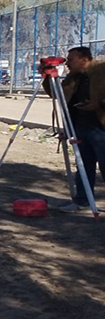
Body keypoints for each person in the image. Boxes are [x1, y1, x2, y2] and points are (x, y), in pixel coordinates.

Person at [45, 46, 105, 212]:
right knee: (84, 167)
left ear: (84, 59)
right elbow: (57, 94)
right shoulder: (73, 77)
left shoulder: (101, 71)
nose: (68, 63)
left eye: (71, 59)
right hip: (80, 126)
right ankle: (82, 201)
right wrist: (47, 77)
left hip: (100, 128)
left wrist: (99, 104)